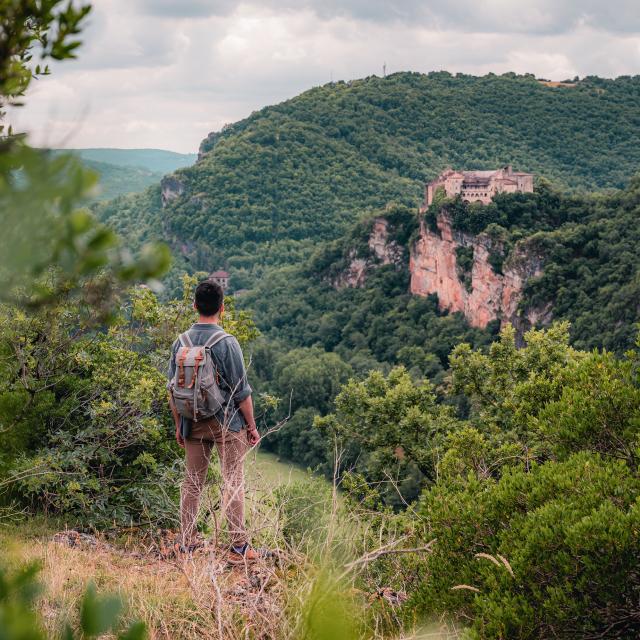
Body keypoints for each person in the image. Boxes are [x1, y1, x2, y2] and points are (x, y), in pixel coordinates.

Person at [167, 280, 261, 563]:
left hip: (192, 421)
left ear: (194, 305)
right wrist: (252, 427)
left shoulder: (180, 342)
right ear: (222, 308)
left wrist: (179, 425)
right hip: (226, 424)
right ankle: (238, 548)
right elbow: (242, 392)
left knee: (192, 483)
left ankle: (185, 543)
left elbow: (172, 391)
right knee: (232, 480)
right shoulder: (227, 343)